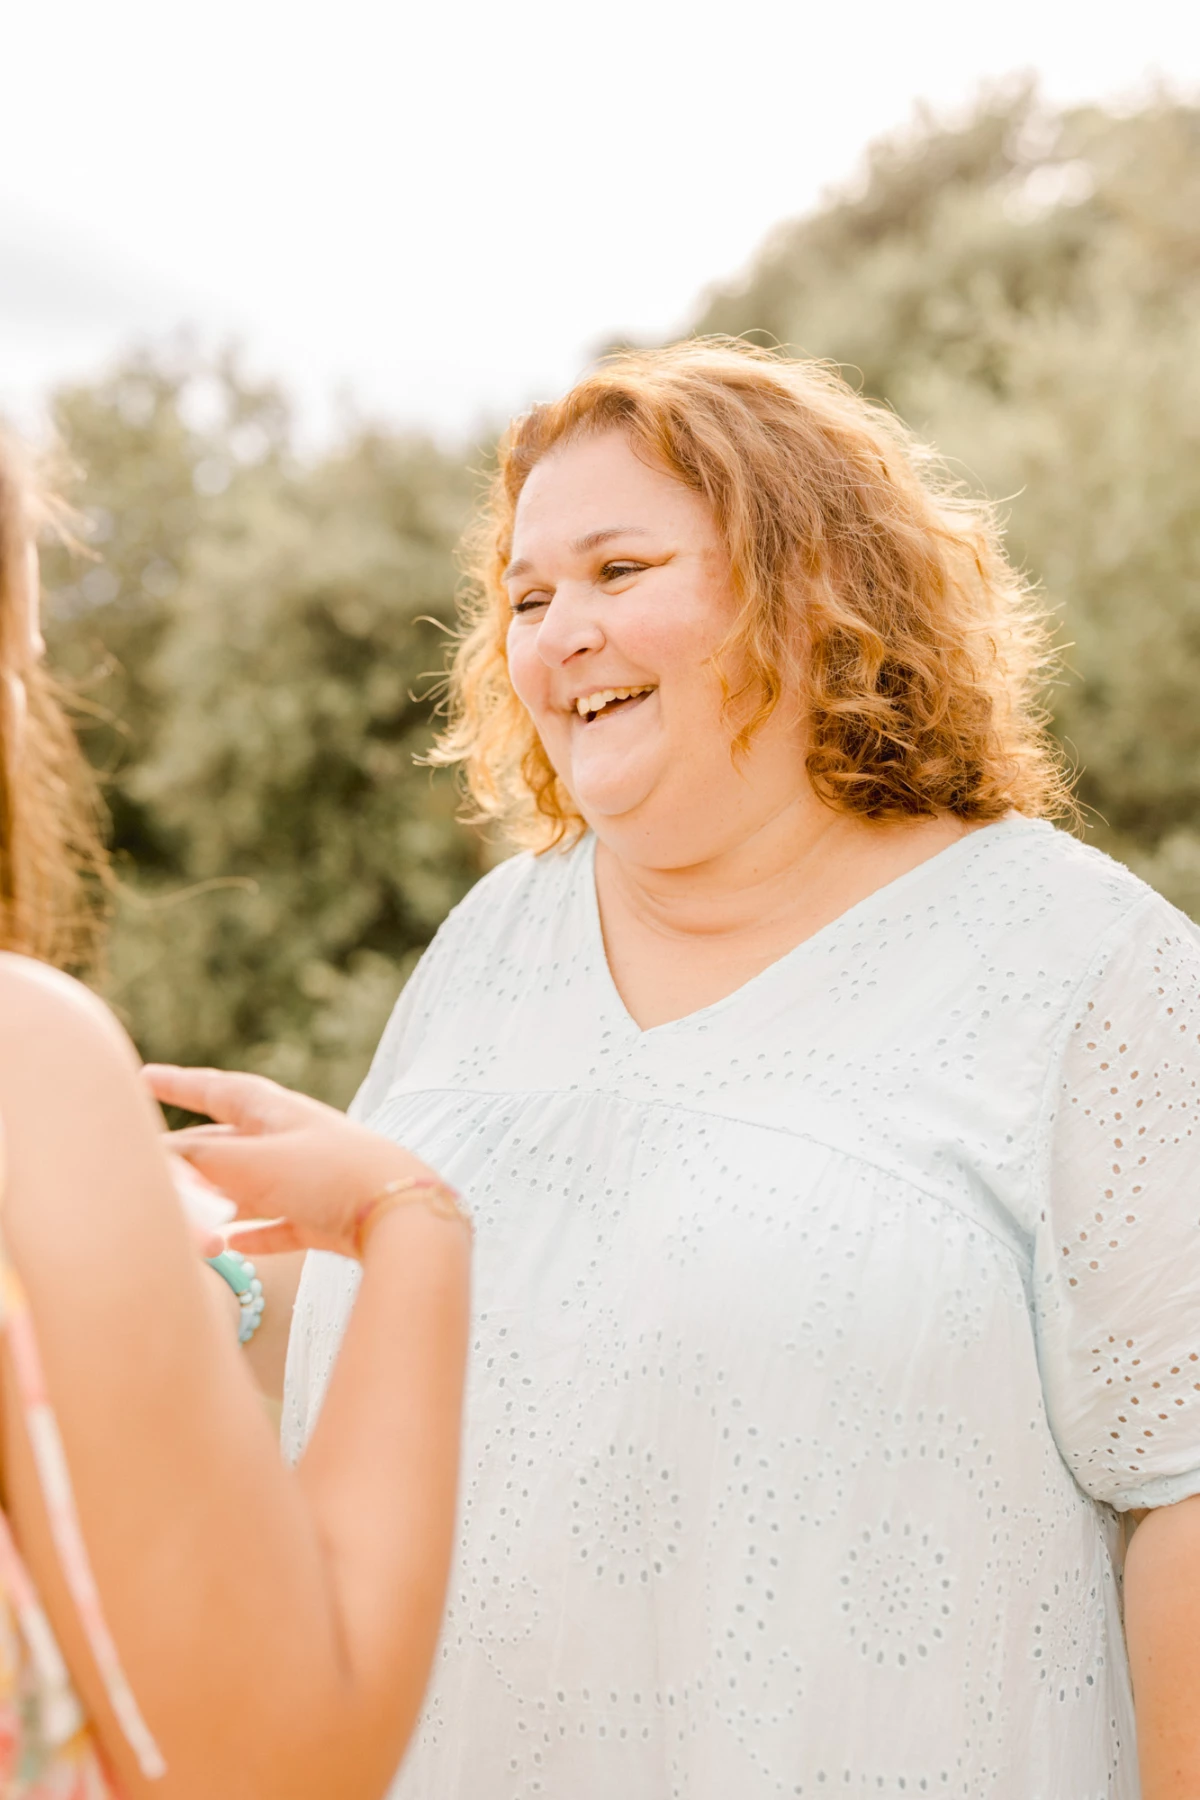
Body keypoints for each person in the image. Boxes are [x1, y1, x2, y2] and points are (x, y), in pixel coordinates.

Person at [272, 339, 1200, 1800]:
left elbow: (1185, 1493)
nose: (557, 630)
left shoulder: (1082, 959)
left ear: (815, 583)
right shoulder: (490, 943)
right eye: (526, 596)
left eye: (619, 571)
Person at [0, 426, 471, 1799]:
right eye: (26, 661)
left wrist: (188, 1298)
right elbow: (281, 1768)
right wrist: (412, 1225)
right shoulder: (24, 1056)